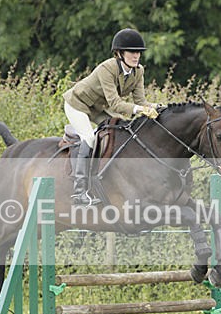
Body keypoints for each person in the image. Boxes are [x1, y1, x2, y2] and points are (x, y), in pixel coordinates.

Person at [63, 28, 160, 205]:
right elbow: (116, 104)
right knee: (90, 138)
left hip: (99, 107)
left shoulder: (139, 71)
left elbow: (141, 101)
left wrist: (159, 108)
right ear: (119, 53)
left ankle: (108, 181)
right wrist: (140, 109)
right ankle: (79, 192)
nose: (136, 56)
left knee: (122, 131)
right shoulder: (107, 68)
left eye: (138, 52)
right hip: (77, 104)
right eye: (132, 52)